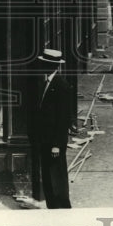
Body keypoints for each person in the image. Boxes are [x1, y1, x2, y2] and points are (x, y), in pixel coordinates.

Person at [29, 48, 73, 208]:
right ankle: (52, 206)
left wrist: (56, 144)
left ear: (52, 66)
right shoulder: (46, 83)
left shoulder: (61, 86)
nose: (42, 67)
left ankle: (62, 208)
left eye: (45, 64)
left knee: (57, 178)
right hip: (44, 139)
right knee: (48, 176)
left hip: (54, 142)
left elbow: (63, 119)